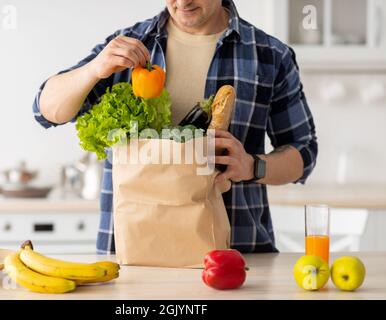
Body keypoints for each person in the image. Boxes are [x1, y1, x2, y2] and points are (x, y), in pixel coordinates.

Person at [32, 0, 318, 253]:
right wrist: (94, 69)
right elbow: (46, 110)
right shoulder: (130, 44)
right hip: (133, 255)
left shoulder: (270, 55)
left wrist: (252, 166)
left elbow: (303, 152)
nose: (182, 1)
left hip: (234, 257)